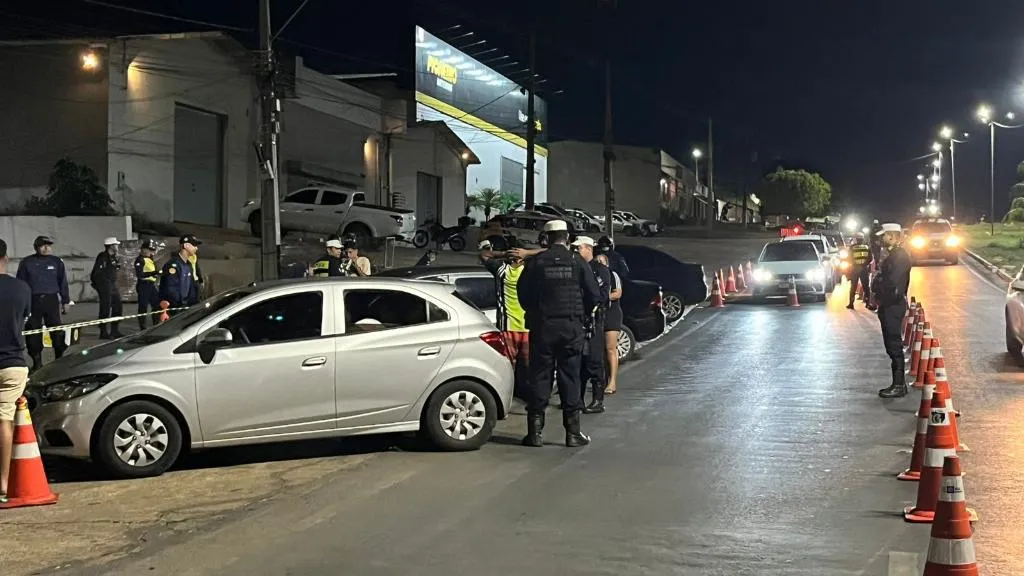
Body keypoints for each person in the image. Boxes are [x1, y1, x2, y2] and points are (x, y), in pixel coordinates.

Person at [517, 220, 600, 448]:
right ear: (568, 238)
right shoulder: (577, 261)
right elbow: (594, 295)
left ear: (546, 238)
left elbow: (523, 294)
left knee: (540, 377)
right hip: (571, 328)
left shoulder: (536, 262)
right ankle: (573, 434)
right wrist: (582, 315)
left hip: (543, 328)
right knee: (570, 378)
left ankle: (534, 434)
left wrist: (536, 312)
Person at [0, 238, 32, 504]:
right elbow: (25, 319)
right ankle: (4, 481)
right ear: (6, 259)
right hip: (12, 364)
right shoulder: (21, 288)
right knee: (4, 419)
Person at [479, 240, 531, 400]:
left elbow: (484, 255)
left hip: (511, 327)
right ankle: (525, 395)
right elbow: (549, 252)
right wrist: (526, 253)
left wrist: (505, 253)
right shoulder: (529, 271)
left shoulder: (503, 270)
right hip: (525, 328)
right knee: (525, 366)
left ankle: (510, 395)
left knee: (510, 366)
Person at [16, 235, 72, 372]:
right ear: (36, 247)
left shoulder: (57, 262)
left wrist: (65, 301)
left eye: (48, 245)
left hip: (51, 300)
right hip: (32, 301)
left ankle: (59, 360)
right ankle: (37, 363)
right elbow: (20, 284)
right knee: (33, 331)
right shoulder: (27, 262)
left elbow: (63, 283)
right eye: (43, 245)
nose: (46, 248)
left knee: (56, 331)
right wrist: (21, 303)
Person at [873, 223, 913, 399]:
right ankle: (897, 384)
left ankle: (899, 385)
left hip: (893, 304)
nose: (881, 238)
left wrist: (878, 284)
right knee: (891, 345)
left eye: (883, 235)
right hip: (888, 303)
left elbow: (891, 282)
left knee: (894, 345)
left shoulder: (899, 256)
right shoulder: (892, 254)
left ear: (891, 236)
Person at [573, 236, 610, 414]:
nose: (576, 251)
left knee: (595, 360)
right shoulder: (575, 267)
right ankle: (577, 400)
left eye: (578, 248)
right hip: (577, 320)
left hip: (594, 320)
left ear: (588, 249)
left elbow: (601, 296)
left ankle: (597, 400)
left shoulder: (600, 270)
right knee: (578, 362)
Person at [596, 253, 624, 394]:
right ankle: (601, 379)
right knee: (599, 350)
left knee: (610, 348)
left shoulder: (613, 275)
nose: (599, 264)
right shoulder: (593, 275)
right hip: (598, 315)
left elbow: (617, 293)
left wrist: (601, 297)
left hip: (612, 314)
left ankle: (612, 381)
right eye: (597, 262)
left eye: (601, 262)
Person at [91, 237, 123, 339]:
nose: (117, 246)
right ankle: (103, 332)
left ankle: (115, 330)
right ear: (111, 246)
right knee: (105, 308)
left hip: (111, 284)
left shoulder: (113, 257)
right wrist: (100, 286)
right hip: (104, 285)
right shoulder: (102, 257)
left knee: (117, 306)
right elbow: (96, 273)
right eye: (116, 245)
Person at [160, 234, 201, 314]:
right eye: (194, 245)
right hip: (175, 309)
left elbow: (191, 286)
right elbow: (171, 289)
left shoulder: (188, 264)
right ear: (186, 246)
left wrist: (192, 305)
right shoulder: (173, 265)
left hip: (185, 308)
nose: (196, 248)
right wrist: (181, 307)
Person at [134, 239, 161, 329]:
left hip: (151, 285)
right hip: (143, 285)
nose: (151, 252)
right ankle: (142, 327)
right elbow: (140, 274)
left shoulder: (149, 259)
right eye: (150, 250)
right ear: (143, 249)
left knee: (157, 304)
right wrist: (153, 273)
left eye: (152, 250)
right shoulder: (140, 260)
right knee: (143, 306)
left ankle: (156, 324)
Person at [846, 232, 873, 310]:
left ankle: (851, 304)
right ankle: (867, 303)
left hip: (855, 269)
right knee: (866, 287)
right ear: (862, 239)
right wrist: (864, 264)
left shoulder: (852, 248)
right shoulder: (867, 247)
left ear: (856, 239)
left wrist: (854, 264)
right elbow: (870, 258)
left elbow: (849, 258)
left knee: (853, 287)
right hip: (864, 269)